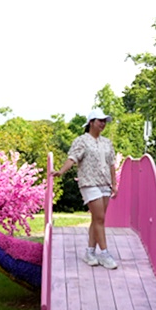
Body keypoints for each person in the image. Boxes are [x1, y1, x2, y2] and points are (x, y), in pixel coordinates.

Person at [52, 108, 119, 269]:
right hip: (89, 183)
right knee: (100, 218)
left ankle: (90, 252)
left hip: (105, 184)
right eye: (99, 120)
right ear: (91, 122)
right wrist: (61, 171)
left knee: (97, 219)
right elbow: (72, 158)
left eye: (104, 121)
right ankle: (104, 253)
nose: (102, 124)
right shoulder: (82, 140)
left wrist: (114, 184)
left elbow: (111, 164)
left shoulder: (106, 142)